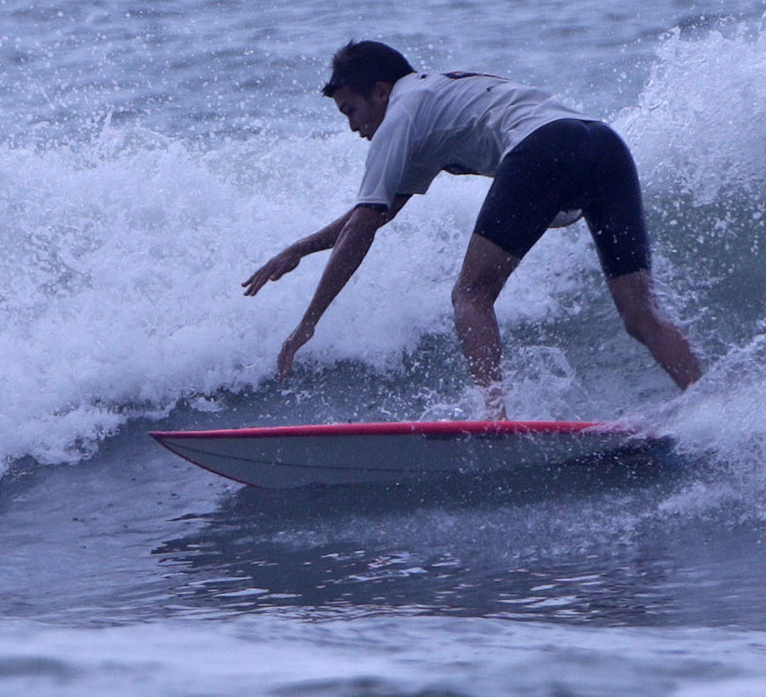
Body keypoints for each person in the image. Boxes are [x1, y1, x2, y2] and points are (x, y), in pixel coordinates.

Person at [243, 40, 702, 416]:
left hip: (543, 148)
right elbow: (373, 215)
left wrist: (308, 324)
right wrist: (300, 249)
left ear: (380, 92)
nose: (352, 127)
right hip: (603, 144)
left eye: (350, 111)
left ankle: (494, 414)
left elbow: (362, 228)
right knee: (640, 313)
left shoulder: (399, 115)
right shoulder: (432, 100)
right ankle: (705, 401)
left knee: (470, 295)